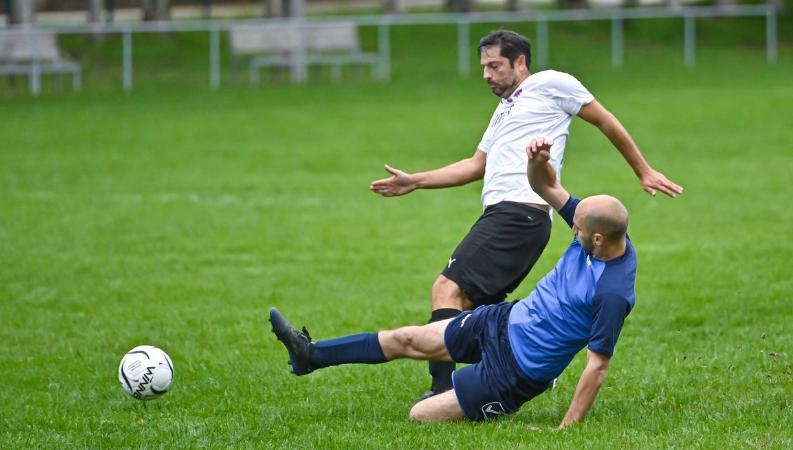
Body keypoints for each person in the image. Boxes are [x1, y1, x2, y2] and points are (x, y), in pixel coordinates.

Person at [369, 29, 680, 398]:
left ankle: (442, 389)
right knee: (467, 307)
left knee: (446, 289)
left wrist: (642, 169)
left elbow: (604, 119)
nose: (486, 74)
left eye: (495, 65)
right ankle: (520, 365)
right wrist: (416, 181)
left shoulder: (552, 83)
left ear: (520, 62)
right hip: (506, 215)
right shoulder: (504, 111)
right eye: (483, 67)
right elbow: (475, 165)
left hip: (521, 211)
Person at [271, 136, 637, 426]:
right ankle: (310, 355)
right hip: (502, 322)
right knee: (408, 338)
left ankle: (494, 400)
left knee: (421, 416)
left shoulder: (613, 292)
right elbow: (547, 189)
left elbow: (597, 366)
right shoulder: (593, 224)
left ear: (599, 239)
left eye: (577, 229)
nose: (572, 228)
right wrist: (536, 164)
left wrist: (566, 430)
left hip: (515, 372)